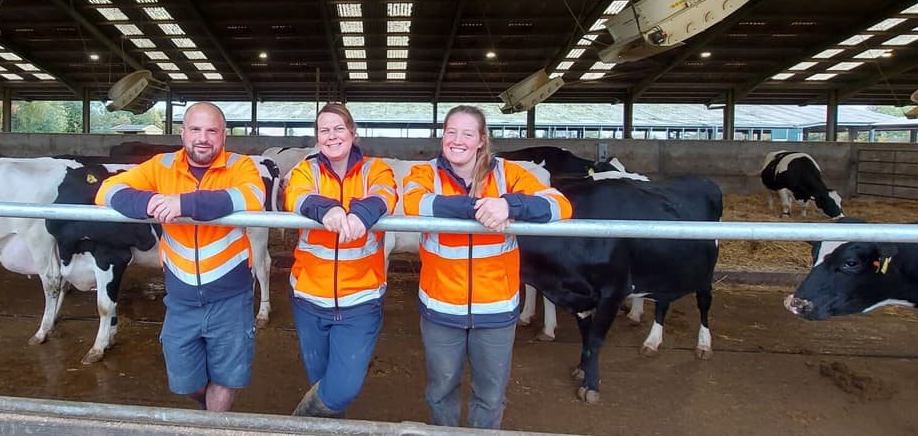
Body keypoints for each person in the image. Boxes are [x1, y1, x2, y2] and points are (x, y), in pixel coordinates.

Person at [402, 105, 572, 429]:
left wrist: (510, 204)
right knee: (440, 391)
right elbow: (413, 202)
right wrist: (479, 208)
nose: (457, 140)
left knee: (491, 396)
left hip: (495, 309)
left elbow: (560, 205)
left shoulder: (509, 174)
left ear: (482, 140)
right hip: (441, 308)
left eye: (467, 133)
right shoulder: (425, 174)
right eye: (451, 132)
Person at [95, 102, 265, 412]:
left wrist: (184, 204)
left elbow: (253, 196)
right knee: (188, 383)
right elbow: (106, 191)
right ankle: (209, 413)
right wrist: (151, 203)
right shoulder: (161, 165)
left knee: (226, 378)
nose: (203, 138)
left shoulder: (240, 166)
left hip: (230, 297)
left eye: (212, 131)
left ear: (223, 135)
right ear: (183, 133)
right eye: (196, 129)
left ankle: (212, 427)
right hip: (181, 297)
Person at [284, 103, 396, 418]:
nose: (331, 136)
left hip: (360, 300)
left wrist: (362, 213)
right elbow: (296, 196)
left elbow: (385, 194)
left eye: (338, 129)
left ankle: (299, 421)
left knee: (342, 388)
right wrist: (328, 209)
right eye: (324, 130)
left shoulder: (376, 169)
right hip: (308, 297)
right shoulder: (306, 170)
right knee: (321, 381)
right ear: (317, 137)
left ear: (352, 132)